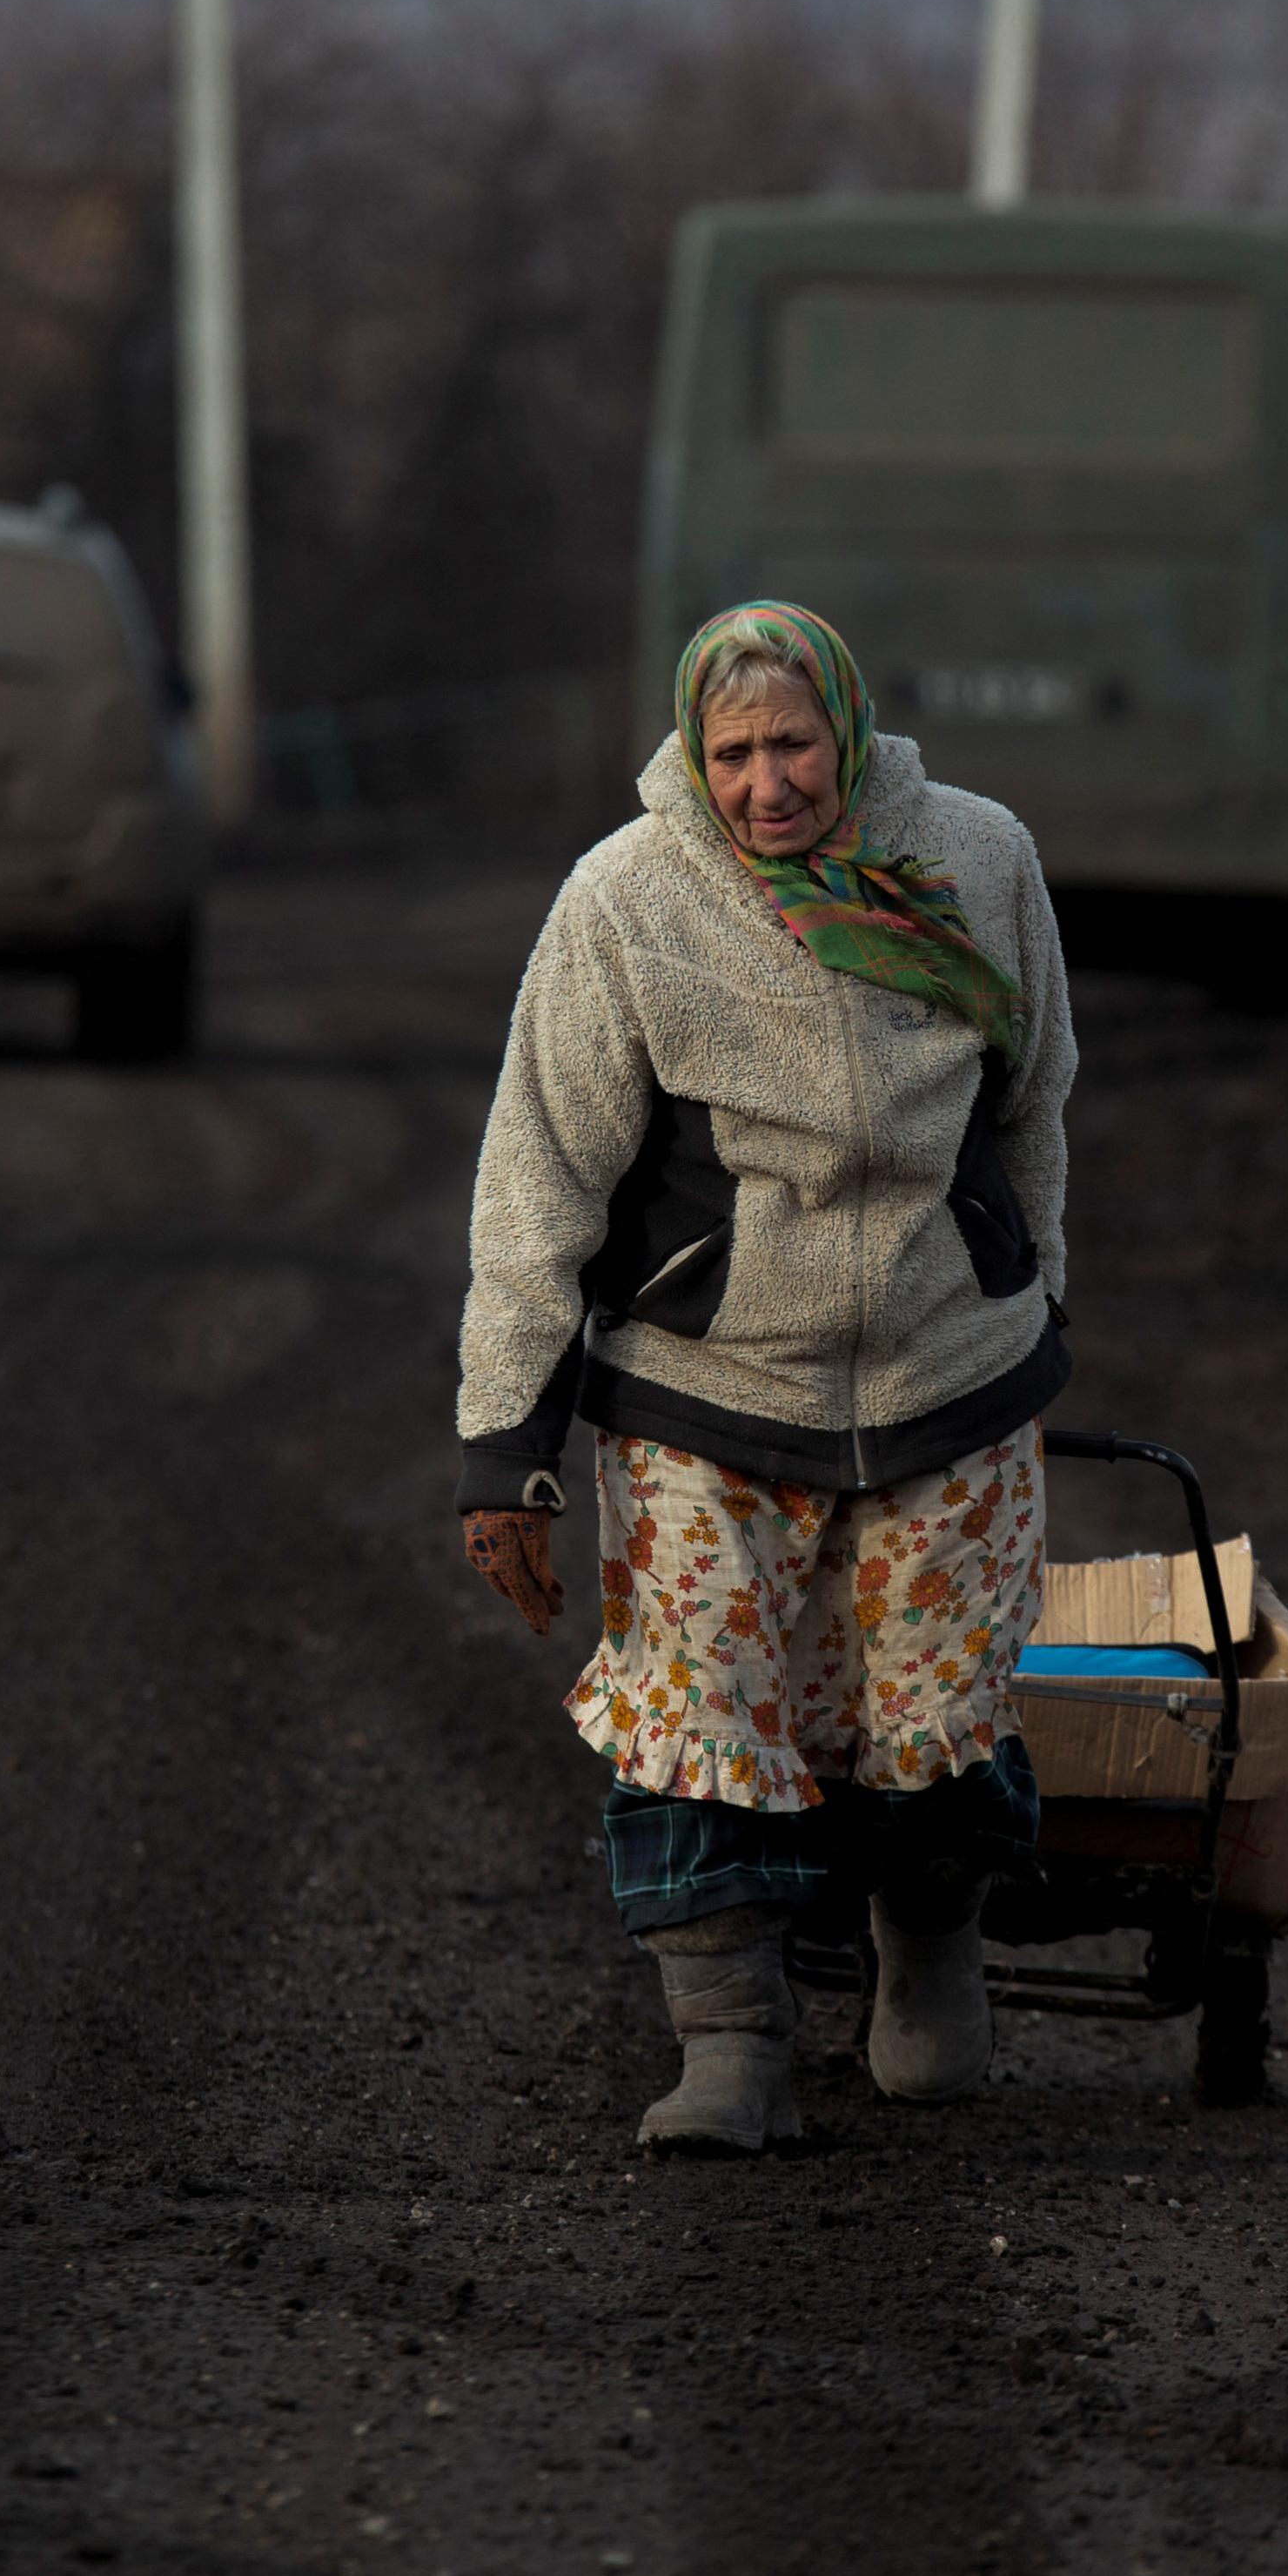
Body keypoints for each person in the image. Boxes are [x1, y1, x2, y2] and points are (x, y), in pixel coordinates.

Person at [453, 601, 1077, 2155]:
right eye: (729, 752)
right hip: (709, 1387)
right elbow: (538, 1177)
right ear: (692, 751)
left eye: (792, 743)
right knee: (699, 1714)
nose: (763, 784)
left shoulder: (980, 858)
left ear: (847, 734)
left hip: (950, 1372)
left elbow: (1033, 1096)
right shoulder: (625, 901)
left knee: (936, 1718)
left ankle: (927, 1955)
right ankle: (729, 2039)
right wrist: (502, 1445)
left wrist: (1032, 1287)